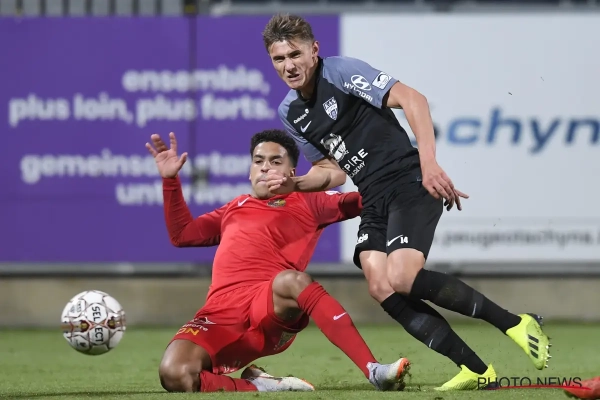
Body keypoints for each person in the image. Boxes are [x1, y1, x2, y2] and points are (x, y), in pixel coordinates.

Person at [262, 13, 551, 391]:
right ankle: (477, 371)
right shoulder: (290, 112)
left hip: (408, 181)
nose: (288, 65)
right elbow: (331, 171)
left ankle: (515, 323)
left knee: (401, 276)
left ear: (314, 51)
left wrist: (429, 163)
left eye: (295, 54)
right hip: (372, 196)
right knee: (380, 284)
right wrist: (296, 184)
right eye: (279, 59)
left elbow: (413, 99)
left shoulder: (340, 72)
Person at [147, 129, 410, 393]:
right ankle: (261, 386)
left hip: (268, 305)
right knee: (175, 374)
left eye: (275, 161)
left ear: (292, 173)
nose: (265, 167)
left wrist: (404, 178)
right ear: (250, 171)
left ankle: (373, 370)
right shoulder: (234, 208)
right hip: (219, 313)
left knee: (292, 280)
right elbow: (182, 235)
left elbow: (369, 201)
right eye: (258, 161)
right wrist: (170, 180)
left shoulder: (309, 201)